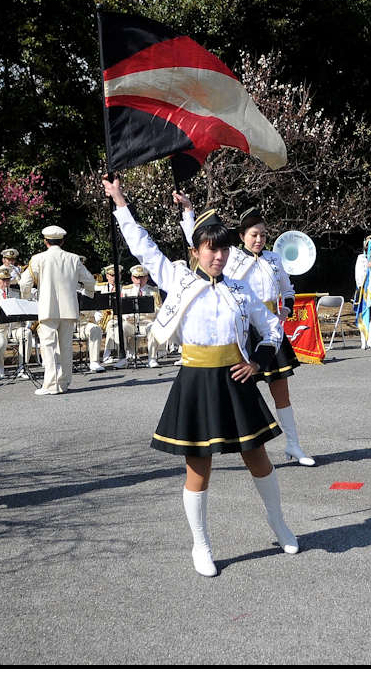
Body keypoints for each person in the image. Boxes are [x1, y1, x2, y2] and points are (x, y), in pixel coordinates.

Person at [104, 176, 298, 577]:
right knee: (199, 467)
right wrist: (120, 201)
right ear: (195, 251)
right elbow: (143, 245)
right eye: (211, 249)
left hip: (235, 381)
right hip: (195, 381)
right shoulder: (179, 279)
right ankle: (201, 544)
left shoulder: (240, 290)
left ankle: (278, 523)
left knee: (258, 458)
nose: (219, 256)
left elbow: (274, 328)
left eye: (224, 248)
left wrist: (259, 363)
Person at [178, 197, 315, 466]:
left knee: (281, 392)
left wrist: (284, 311)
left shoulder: (275, 259)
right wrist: (188, 214)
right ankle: (240, 448)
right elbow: (200, 244)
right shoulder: (231, 257)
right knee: (239, 394)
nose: (259, 240)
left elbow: (288, 291)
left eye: (263, 235)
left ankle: (294, 445)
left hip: (267, 330)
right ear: (241, 236)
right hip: (240, 330)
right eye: (253, 235)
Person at [20, 224, 95, 395]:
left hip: (47, 308)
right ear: (62, 241)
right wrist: (88, 294)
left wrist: (26, 298)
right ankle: (64, 382)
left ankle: (51, 384)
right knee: (66, 347)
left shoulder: (38, 258)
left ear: (45, 241)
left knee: (49, 346)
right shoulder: (74, 258)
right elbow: (90, 280)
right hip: (69, 309)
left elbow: (25, 282)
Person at [105, 264, 162, 367]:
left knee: (153, 328)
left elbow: (159, 309)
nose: (139, 280)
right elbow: (120, 309)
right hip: (130, 322)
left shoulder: (153, 290)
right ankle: (122, 358)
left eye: (142, 277)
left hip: (146, 322)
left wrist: (147, 312)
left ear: (147, 277)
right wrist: (126, 316)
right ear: (132, 278)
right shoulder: (126, 290)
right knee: (119, 328)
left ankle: (152, 359)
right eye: (136, 277)